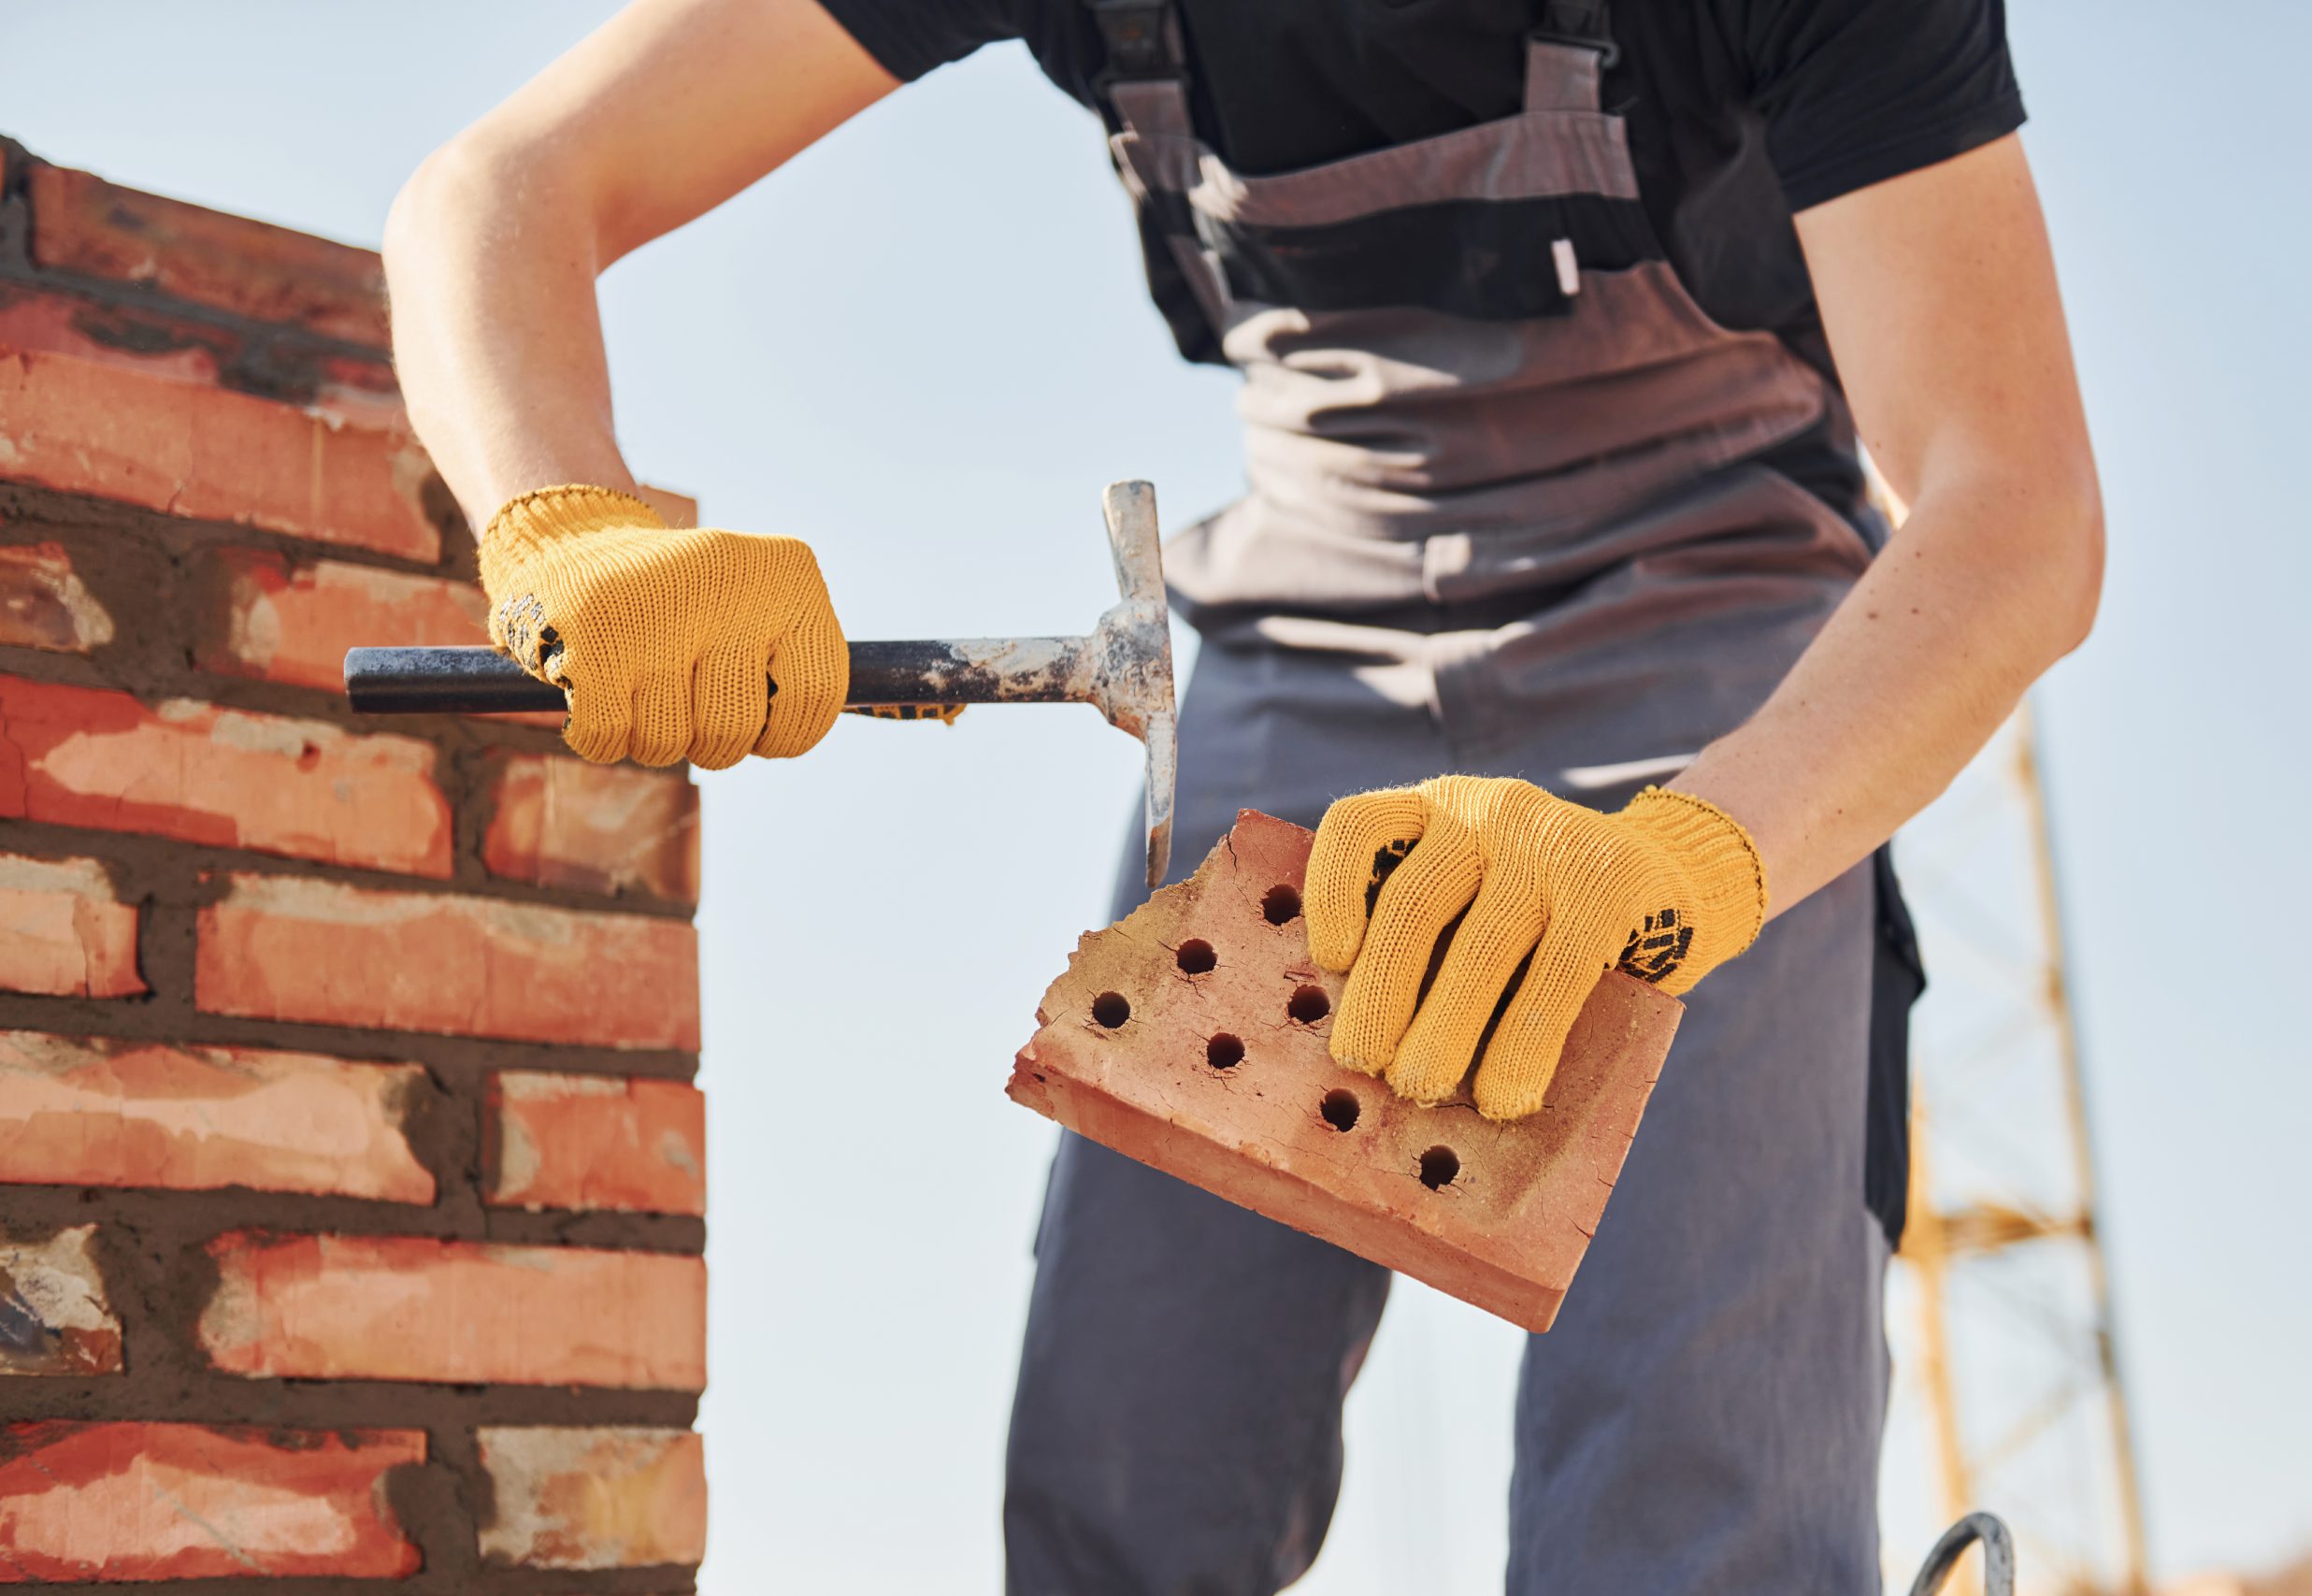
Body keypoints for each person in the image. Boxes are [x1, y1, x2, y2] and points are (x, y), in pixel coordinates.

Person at [382, 0, 2103, 1588]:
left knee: (1693, 1504)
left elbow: (2014, 511)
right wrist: (566, 522)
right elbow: (503, 186)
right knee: (1128, 1481)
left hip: (1722, 668)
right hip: (1307, 651)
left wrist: (1679, 862)